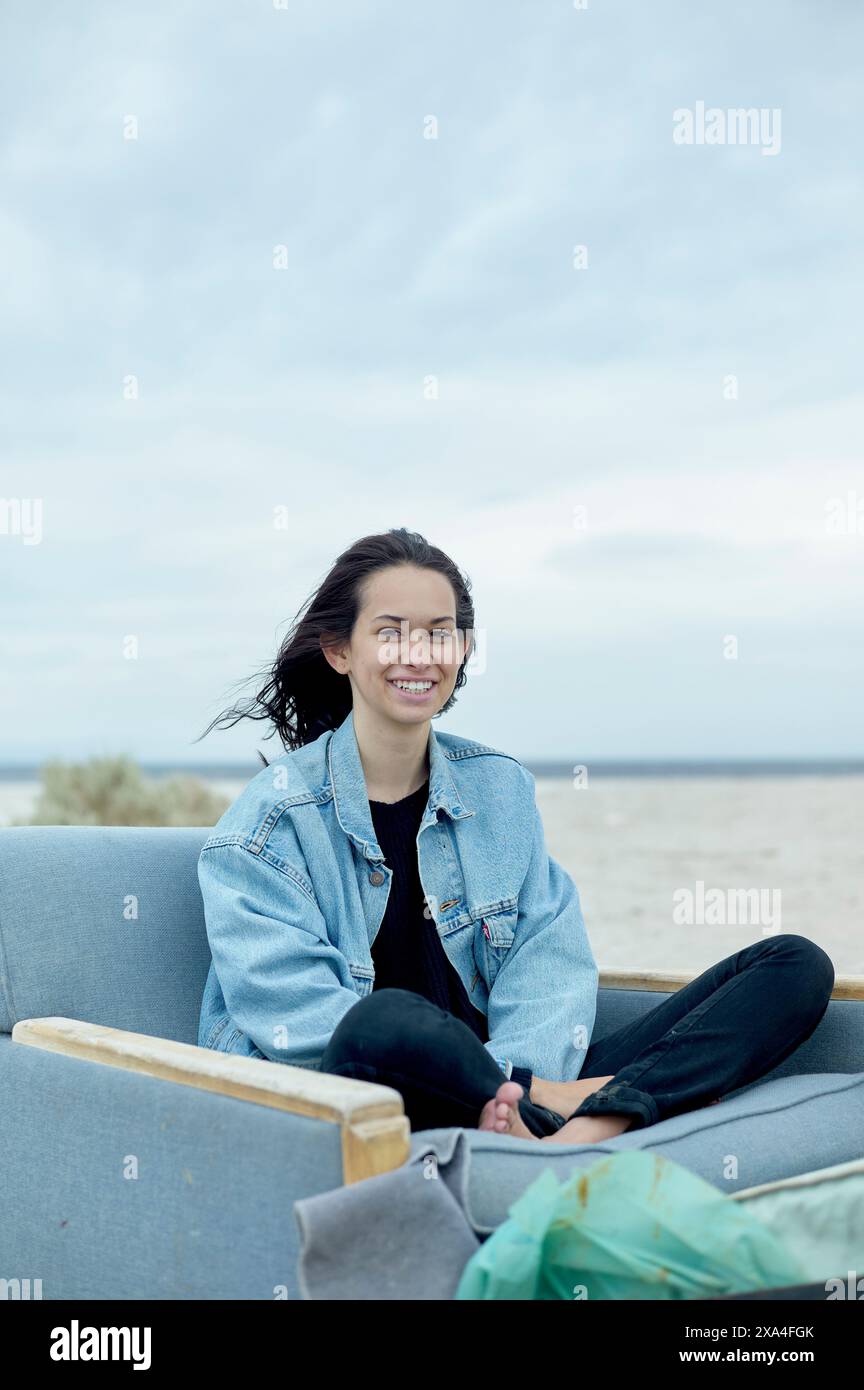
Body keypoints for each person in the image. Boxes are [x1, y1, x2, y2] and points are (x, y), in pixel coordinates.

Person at [193, 527, 835, 1144]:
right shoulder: (268, 826)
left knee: (794, 965)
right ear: (339, 651)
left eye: (440, 633)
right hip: (378, 1100)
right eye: (390, 633)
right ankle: (589, 1108)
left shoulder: (499, 790)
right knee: (380, 1022)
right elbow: (304, 1026)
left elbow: (549, 970)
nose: (419, 654)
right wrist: (526, 1087)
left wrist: (522, 1087)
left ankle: (584, 1127)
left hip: (520, 1094)